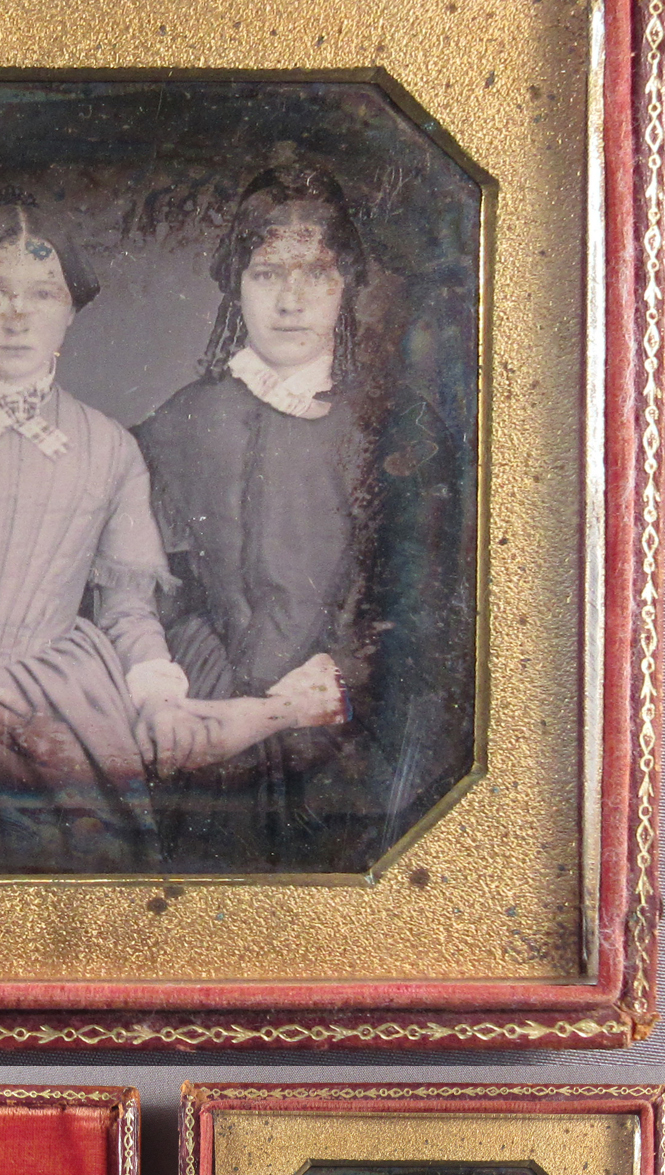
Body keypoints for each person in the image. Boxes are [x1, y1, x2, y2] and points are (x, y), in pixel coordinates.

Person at [0, 200, 347, 875]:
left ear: (71, 310)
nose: (17, 315)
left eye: (43, 293)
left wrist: (157, 694)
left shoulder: (110, 447)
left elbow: (128, 608)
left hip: (63, 705)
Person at [136, 150, 471, 871]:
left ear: (346, 282)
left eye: (315, 273)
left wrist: (326, 688)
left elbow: (424, 611)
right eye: (266, 274)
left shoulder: (398, 428)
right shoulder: (178, 424)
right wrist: (214, 702)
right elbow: (156, 591)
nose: (290, 301)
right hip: (206, 739)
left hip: (350, 753)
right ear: (236, 284)